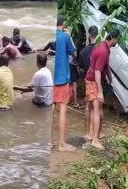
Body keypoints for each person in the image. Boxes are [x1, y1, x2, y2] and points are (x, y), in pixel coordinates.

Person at [85, 29, 119, 150]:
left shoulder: (102, 45)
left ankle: (92, 134)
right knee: (97, 110)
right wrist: (100, 91)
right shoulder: (104, 50)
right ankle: (94, 139)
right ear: (114, 39)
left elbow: (105, 65)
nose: (117, 42)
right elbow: (98, 71)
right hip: (94, 80)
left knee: (94, 109)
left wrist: (111, 79)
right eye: (117, 40)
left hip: (91, 78)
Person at [52, 15, 76, 152]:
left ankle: (49, 141)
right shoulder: (64, 36)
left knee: (51, 110)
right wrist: (69, 35)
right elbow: (74, 52)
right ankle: (62, 143)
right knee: (63, 110)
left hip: (51, 78)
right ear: (64, 23)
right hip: (62, 78)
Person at [78, 25, 100, 140]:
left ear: (89, 35)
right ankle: (97, 133)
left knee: (88, 106)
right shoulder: (101, 49)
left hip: (89, 80)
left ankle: (88, 132)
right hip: (99, 81)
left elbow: (81, 68)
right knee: (97, 108)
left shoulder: (83, 52)